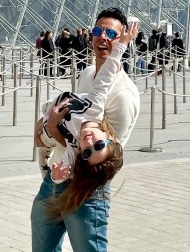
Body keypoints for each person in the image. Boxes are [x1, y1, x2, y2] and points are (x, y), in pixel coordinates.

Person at [19, 8, 140, 252]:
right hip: (55, 184)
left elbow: (104, 159)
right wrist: (51, 134)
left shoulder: (123, 94)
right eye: (98, 30)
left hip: (87, 194)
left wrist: (53, 134)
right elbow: (62, 133)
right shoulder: (91, 76)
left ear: (123, 39)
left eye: (112, 33)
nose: (103, 37)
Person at [37, 22, 139, 181]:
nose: (89, 144)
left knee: (42, 148)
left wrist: (57, 176)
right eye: (98, 145)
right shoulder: (96, 106)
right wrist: (123, 44)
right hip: (60, 104)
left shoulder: (76, 144)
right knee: (48, 111)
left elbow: (68, 162)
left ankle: (44, 170)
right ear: (108, 136)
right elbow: (107, 72)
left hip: (53, 123)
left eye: (86, 152)